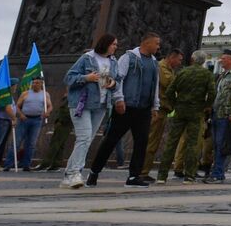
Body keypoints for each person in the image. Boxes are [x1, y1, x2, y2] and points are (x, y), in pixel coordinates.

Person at [87, 31, 161, 188]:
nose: (158, 46)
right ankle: (94, 172)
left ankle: (134, 176)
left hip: (144, 109)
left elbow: (155, 85)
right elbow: (118, 78)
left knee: (141, 143)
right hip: (126, 107)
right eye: (156, 43)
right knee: (111, 140)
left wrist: (155, 105)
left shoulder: (154, 62)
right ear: (147, 43)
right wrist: (119, 99)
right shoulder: (128, 57)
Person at [62, 33, 119, 189]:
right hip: (82, 103)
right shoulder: (87, 58)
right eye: (113, 44)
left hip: (101, 105)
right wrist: (86, 78)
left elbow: (117, 82)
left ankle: (68, 175)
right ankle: (75, 173)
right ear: (105, 44)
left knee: (86, 140)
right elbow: (68, 78)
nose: (116, 47)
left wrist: (112, 83)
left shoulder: (113, 62)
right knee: (84, 137)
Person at [155, 50, 216, 184]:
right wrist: (205, 105)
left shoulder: (182, 72)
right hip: (196, 112)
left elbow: (170, 91)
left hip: (180, 111)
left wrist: (176, 104)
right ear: (203, 61)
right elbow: (212, 93)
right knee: (193, 144)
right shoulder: (207, 74)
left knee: (172, 142)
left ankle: (162, 175)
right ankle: (189, 176)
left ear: (192, 59)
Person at [143, 49, 184, 180]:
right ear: (171, 57)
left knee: (153, 142)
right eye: (179, 59)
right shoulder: (162, 67)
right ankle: (142, 171)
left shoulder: (168, 69)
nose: (180, 63)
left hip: (163, 110)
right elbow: (170, 83)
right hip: (158, 110)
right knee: (151, 142)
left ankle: (144, 170)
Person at [207, 49, 231, 183]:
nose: (221, 60)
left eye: (223, 58)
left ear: (230, 60)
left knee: (221, 144)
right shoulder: (222, 76)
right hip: (216, 113)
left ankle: (218, 173)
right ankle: (217, 172)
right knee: (216, 145)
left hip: (226, 114)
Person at [14, 78, 51, 171]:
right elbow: (17, 106)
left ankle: (26, 164)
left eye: (37, 83)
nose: (34, 84)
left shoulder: (45, 94)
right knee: (17, 141)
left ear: (41, 84)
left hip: (37, 120)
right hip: (24, 119)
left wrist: (47, 112)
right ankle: (10, 163)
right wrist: (21, 114)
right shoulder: (25, 94)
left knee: (31, 144)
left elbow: (50, 106)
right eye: (33, 83)